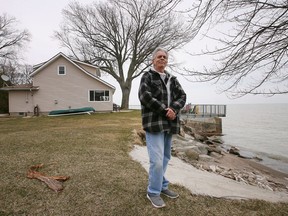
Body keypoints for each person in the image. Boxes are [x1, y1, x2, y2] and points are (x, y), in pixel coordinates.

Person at [138, 47, 186, 208]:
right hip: (154, 124)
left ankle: (162, 185)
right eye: (159, 57)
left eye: (165, 57)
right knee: (157, 161)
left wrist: (174, 109)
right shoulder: (148, 76)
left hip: (170, 124)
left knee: (165, 158)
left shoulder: (173, 79)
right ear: (153, 60)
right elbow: (145, 96)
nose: (162, 59)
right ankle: (153, 191)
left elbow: (182, 96)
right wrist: (165, 110)